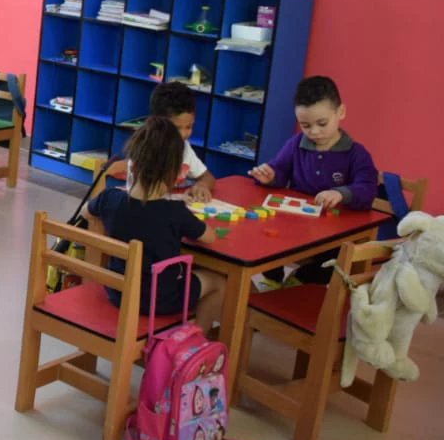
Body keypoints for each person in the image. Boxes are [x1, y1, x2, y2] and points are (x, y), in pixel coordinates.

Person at [86, 116, 226, 332]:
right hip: (158, 300)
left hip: (117, 291)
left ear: (134, 162)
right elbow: (210, 237)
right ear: (175, 171)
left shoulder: (109, 198)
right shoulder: (175, 211)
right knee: (218, 282)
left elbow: (87, 212)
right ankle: (195, 343)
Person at [250, 75, 377, 284]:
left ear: (341, 112)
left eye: (322, 123)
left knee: (335, 258)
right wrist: (270, 176)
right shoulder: (297, 143)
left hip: (335, 232)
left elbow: (367, 189)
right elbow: (280, 170)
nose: (314, 132)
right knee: (269, 233)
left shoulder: (356, 153)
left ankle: (300, 280)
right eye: (305, 125)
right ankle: (272, 279)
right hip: (298, 224)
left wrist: (340, 193)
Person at [103, 81, 216, 202]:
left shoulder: (185, 148)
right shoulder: (148, 149)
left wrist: (202, 185)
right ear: (158, 123)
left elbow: (207, 176)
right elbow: (143, 198)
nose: (183, 134)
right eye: (176, 128)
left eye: (189, 127)